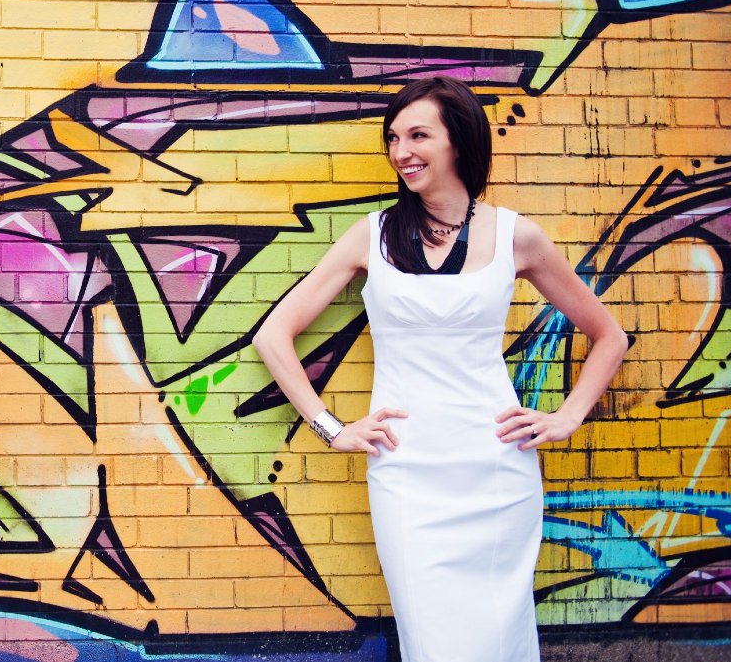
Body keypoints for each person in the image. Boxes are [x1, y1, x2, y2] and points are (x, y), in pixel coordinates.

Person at [252, 76, 626, 662]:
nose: (401, 151)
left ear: (459, 140)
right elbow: (272, 336)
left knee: (500, 636)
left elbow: (609, 336)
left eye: (418, 135)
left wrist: (566, 417)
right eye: (393, 138)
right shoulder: (372, 236)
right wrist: (332, 428)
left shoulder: (516, 236)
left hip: (495, 468)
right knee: (430, 640)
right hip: (407, 472)